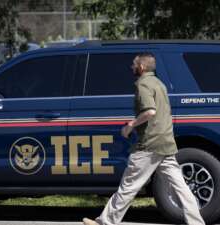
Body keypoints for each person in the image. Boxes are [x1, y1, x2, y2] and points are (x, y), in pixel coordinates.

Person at [83, 53, 205, 225]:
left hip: (149, 144)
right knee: (181, 188)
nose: (131, 67)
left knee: (129, 185)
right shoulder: (159, 84)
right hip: (166, 143)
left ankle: (106, 222)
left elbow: (150, 111)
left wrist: (130, 125)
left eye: (133, 64)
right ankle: (197, 223)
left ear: (141, 67)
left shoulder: (143, 84)